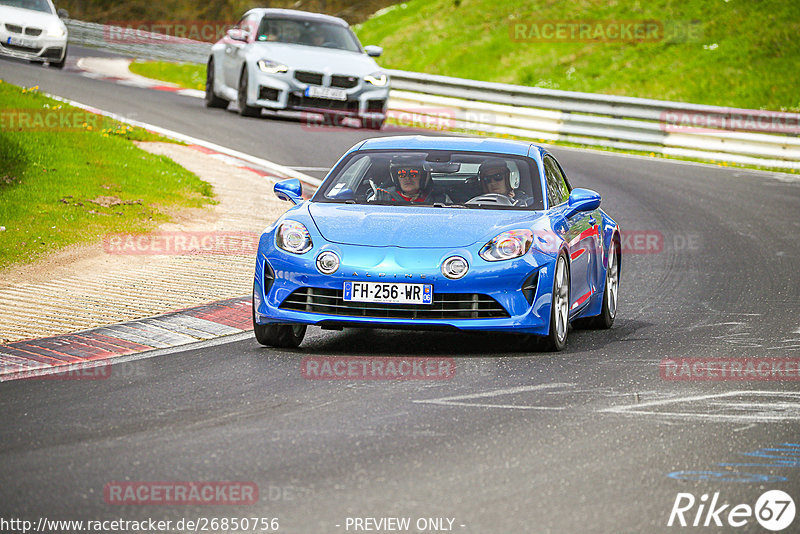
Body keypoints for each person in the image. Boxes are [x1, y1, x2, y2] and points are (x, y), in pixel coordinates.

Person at [369, 156, 447, 204]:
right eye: (402, 174)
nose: (407, 178)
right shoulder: (380, 197)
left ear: (423, 178)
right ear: (396, 178)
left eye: (413, 174)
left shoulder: (439, 199)